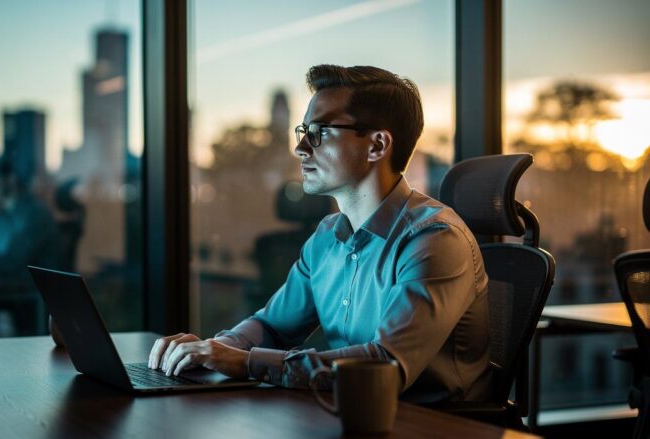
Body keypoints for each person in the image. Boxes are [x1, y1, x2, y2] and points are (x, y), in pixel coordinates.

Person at [150, 64, 491, 403]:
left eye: (319, 132)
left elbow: (386, 365)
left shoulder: (434, 240)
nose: (301, 148)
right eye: (302, 131)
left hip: (433, 435)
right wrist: (217, 348)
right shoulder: (327, 238)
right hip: (346, 418)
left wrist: (245, 362)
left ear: (377, 145)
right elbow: (273, 327)